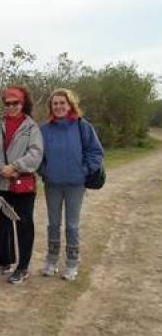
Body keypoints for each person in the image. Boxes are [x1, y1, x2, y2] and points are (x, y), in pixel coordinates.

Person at [39, 88, 104, 281]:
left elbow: (96, 152)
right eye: (55, 103)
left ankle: (72, 264)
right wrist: (45, 171)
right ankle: (51, 261)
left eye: (62, 103)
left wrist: (83, 171)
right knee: (53, 224)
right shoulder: (44, 129)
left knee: (72, 225)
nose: (59, 106)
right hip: (52, 185)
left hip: (76, 185)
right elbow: (37, 156)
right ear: (51, 106)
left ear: (70, 105)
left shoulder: (82, 126)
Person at [0, 85, 43, 284]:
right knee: (2, 225)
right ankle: (4, 261)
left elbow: (36, 153)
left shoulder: (31, 127)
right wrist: (1, 167)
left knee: (24, 225)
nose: (11, 107)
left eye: (15, 103)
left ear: (23, 103)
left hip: (23, 184)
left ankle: (23, 267)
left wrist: (15, 166)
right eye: (8, 103)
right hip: (2, 182)